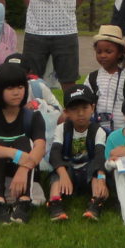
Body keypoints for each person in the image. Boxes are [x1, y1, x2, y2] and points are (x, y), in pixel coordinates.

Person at [0, 62, 47, 224]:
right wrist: (14, 154)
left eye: (20, 87)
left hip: (26, 173)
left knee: (24, 141)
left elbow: (40, 147)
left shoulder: (33, 117)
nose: (16, 92)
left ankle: (24, 201)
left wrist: (24, 167)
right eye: (10, 88)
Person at [46, 83, 108, 221]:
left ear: (92, 108)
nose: (80, 113)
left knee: (96, 172)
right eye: (74, 109)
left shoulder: (98, 131)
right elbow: (54, 154)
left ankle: (96, 202)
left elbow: (100, 156)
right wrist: (63, 174)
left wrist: (102, 178)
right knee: (57, 174)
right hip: (69, 169)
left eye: (85, 108)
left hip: (88, 170)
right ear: (66, 112)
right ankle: (55, 203)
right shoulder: (62, 128)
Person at [86, 25, 125, 132]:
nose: (103, 55)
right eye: (99, 52)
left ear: (120, 53)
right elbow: (86, 101)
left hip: (122, 132)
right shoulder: (92, 78)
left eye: (108, 51)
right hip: (97, 131)